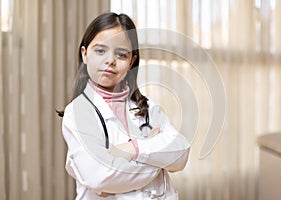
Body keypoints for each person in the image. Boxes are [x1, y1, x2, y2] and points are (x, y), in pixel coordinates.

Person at [60, 12, 190, 200]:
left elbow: (181, 154)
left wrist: (133, 148)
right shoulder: (78, 112)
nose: (110, 60)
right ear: (85, 54)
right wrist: (158, 161)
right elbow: (101, 176)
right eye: (100, 50)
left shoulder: (148, 108)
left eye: (121, 54)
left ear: (132, 62)